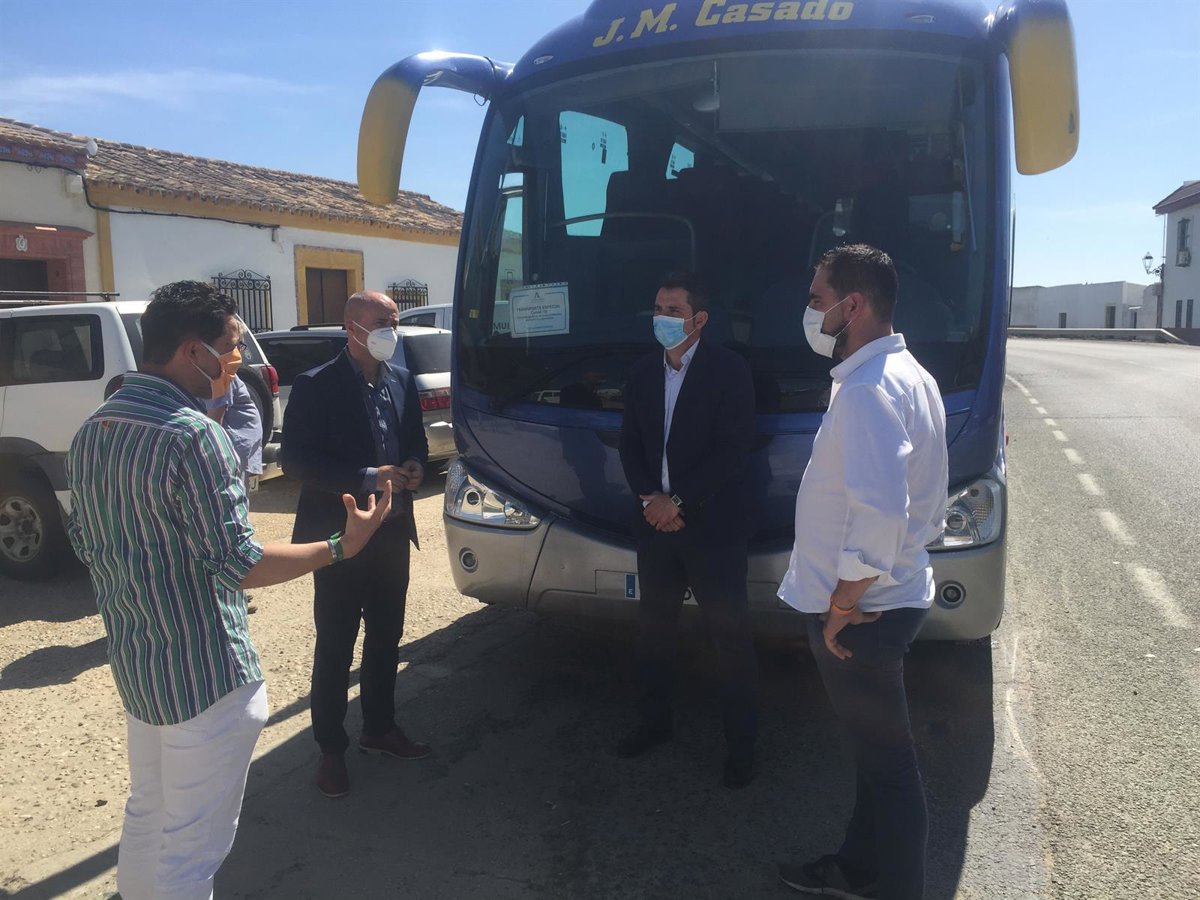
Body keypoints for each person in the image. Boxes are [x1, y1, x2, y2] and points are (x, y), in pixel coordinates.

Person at [65, 280, 392, 900]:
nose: (237, 359)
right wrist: (341, 546)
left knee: (148, 817)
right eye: (232, 345)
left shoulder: (94, 430)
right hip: (207, 677)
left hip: (141, 668)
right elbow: (241, 563)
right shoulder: (193, 435)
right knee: (191, 854)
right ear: (194, 351)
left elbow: (86, 542)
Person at [775, 245, 948, 900]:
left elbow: (880, 513)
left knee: (892, 770)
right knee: (875, 759)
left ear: (853, 305)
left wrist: (842, 606)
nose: (809, 311)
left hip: (865, 616)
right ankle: (858, 868)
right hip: (890, 599)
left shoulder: (869, 389)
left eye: (816, 299)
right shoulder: (911, 375)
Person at [281, 290, 431, 799]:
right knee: (336, 643)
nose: (392, 330)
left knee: (386, 637)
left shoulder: (401, 380)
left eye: (395, 321)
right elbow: (296, 460)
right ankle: (331, 750)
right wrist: (368, 476)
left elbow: (415, 441)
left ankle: (379, 728)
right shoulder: (316, 385)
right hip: (340, 536)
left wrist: (414, 465)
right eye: (382, 322)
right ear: (352, 328)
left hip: (391, 531)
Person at [617, 271, 759, 789]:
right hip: (656, 528)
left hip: (712, 530)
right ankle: (654, 724)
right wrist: (651, 501)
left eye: (673, 311)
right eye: (658, 309)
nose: (662, 318)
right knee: (653, 633)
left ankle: (741, 748)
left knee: (730, 641)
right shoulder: (641, 373)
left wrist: (676, 502)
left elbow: (734, 449)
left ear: (699, 319)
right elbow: (630, 444)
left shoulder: (729, 371)